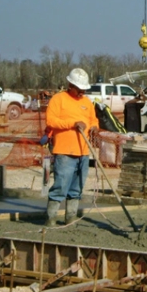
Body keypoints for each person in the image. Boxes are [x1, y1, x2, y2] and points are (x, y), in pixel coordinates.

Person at [44, 68, 98, 227]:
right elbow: (51, 121)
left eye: (84, 90)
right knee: (61, 185)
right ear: (70, 85)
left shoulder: (87, 102)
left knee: (77, 187)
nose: (82, 93)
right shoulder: (58, 99)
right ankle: (51, 218)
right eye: (79, 89)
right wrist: (72, 124)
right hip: (65, 151)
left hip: (83, 151)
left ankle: (70, 217)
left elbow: (93, 120)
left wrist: (94, 127)